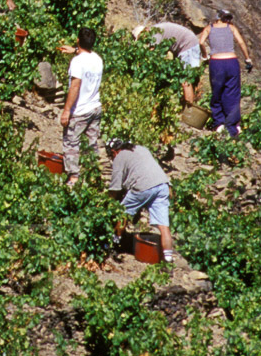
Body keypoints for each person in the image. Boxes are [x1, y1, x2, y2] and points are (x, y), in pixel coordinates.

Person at [107, 139, 175, 264]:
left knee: (122, 214)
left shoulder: (119, 157)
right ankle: (168, 259)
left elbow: (115, 187)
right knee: (164, 226)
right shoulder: (140, 148)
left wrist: (108, 203)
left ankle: (114, 245)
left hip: (143, 186)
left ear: (113, 151)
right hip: (163, 185)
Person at [58, 28, 103, 188]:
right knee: (91, 143)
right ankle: (92, 176)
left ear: (78, 40)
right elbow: (85, 55)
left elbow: (75, 87)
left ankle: (73, 178)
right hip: (95, 108)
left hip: (80, 110)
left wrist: (66, 111)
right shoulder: (97, 59)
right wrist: (75, 50)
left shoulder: (77, 62)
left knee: (71, 143)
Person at [200, 8, 252, 137]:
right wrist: (247, 58)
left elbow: (201, 42)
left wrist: (205, 55)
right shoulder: (231, 27)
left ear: (217, 17)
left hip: (216, 63)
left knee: (217, 92)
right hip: (231, 62)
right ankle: (233, 125)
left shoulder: (209, 28)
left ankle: (219, 123)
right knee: (232, 93)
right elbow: (241, 42)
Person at [133, 21, 202, 106]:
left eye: (140, 38)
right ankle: (188, 104)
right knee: (185, 78)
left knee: (185, 79)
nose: (143, 41)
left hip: (188, 45)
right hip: (188, 44)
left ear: (145, 31)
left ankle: (190, 108)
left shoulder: (153, 34)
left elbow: (152, 56)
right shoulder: (155, 31)